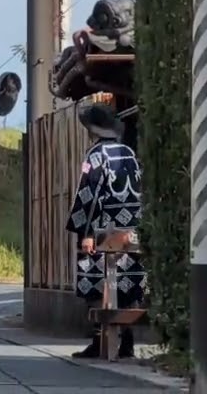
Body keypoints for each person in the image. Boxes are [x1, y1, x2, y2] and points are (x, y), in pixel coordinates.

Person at [66, 103, 143, 359]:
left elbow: (88, 193)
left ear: (92, 130)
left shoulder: (95, 156)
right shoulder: (130, 153)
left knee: (97, 286)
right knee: (127, 284)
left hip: (104, 229)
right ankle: (128, 341)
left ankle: (100, 340)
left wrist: (86, 231)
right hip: (132, 229)